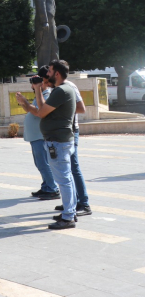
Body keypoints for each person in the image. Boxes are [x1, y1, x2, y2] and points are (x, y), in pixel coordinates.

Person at [15, 59, 78, 230]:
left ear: (56, 73)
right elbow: (43, 109)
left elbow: (41, 113)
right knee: (66, 179)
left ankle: (68, 217)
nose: (46, 75)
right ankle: (69, 211)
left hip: (58, 141)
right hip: (60, 140)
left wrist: (26, 104)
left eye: (49, 72)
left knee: (64, 180)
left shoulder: (60, 91)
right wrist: (37, 90)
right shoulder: (64, 89)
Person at [54, 77, 92, 217]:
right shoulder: (57, 88)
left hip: (71, 131)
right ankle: (73, 202)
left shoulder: (69, 86)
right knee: (68, 169)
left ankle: (84, 203)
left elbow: (81, 108)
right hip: (64, 132)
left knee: (73, 167)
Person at [23, 67, 60, 201]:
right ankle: (46, 186)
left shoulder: (47, 94)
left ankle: (52, 189)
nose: (35, 84)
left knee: (44, 163)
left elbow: (40, 112)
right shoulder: (41, 94)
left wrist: (25, 103)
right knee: (40, 163)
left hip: (40, 135)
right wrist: (24, 103)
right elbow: (32, 109)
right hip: (35, 136)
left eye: (39, 81)